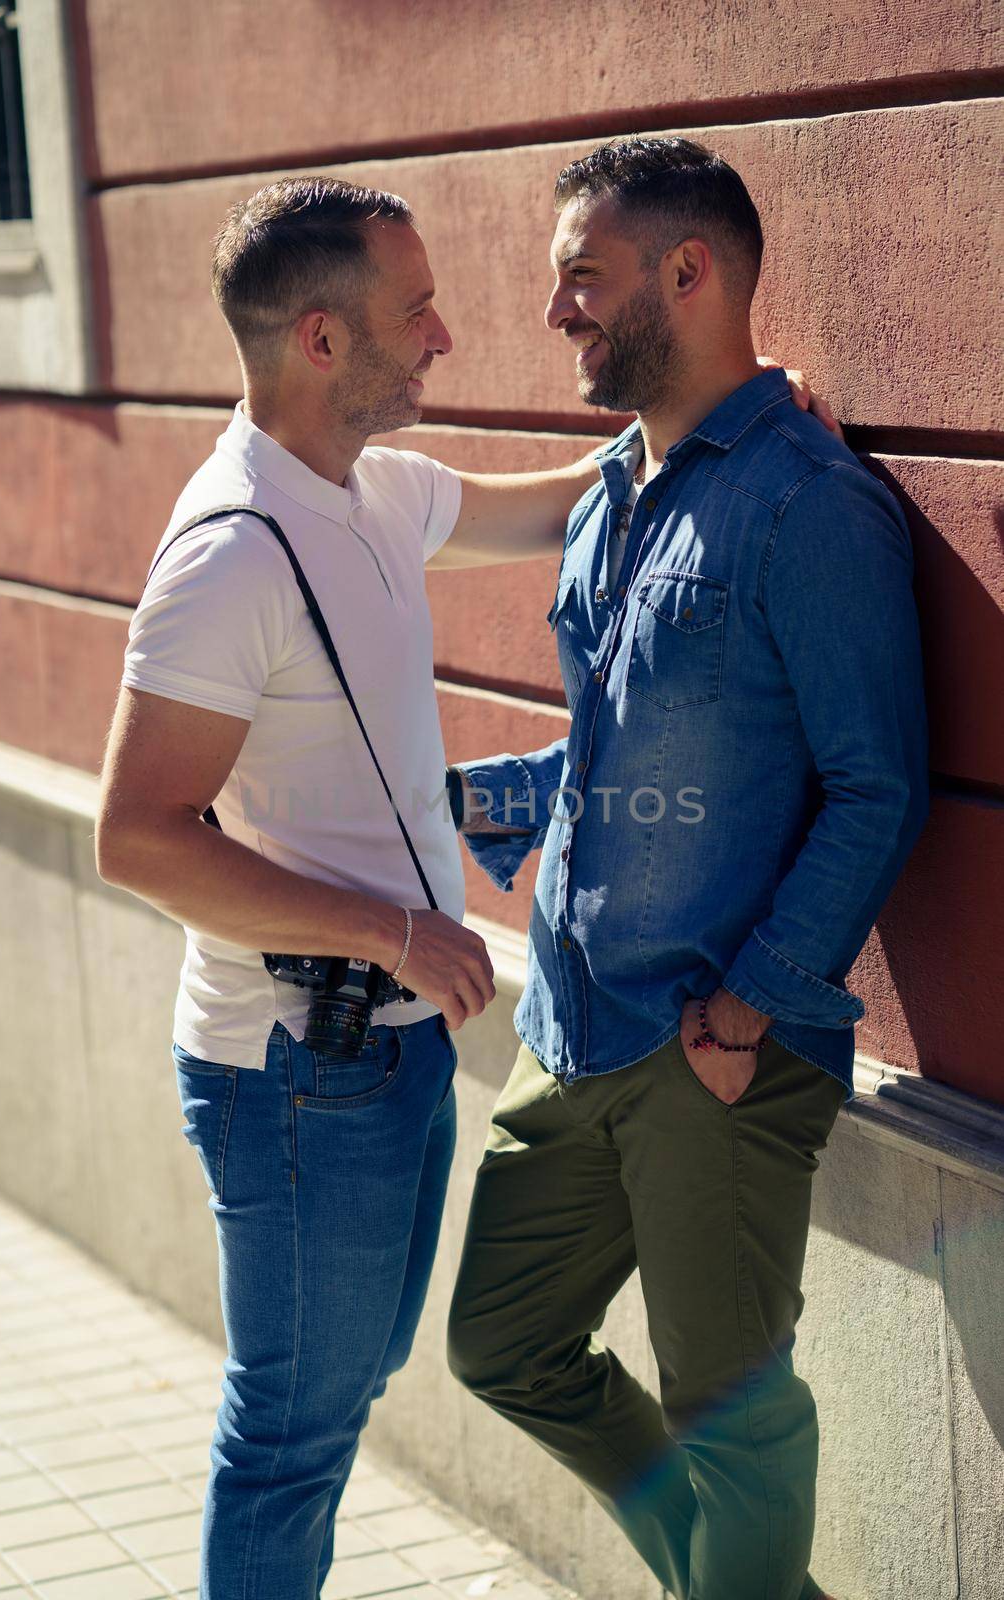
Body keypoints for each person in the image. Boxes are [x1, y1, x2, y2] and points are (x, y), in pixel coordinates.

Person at [95, 173, 827, 1598]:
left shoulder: (368, 487)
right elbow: (136, 838)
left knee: (343, 1386)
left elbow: (573, 498)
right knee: (293, 1432)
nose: (442, 338)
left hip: (388, 1047)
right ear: (320, 340)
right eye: (414, 312)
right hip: (299, 1061)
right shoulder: (230, 555)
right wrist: (395, 927)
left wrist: (742, 409)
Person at [446, 138, 929, 1600]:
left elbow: (875, 786)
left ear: (690, 272)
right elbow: (620, 737)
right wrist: (468, 799)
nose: (558, 316)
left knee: (735, 1417)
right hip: (572, 1028)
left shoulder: (805, 505)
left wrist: (756, 1008)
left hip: (713, 1047)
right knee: (504, 1342)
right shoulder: (615, 490)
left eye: (582, 279)